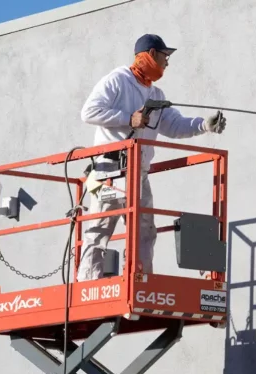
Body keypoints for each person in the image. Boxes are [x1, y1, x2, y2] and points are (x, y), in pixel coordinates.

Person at [77, 34, 227, 282]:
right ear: (148, 55)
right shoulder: (118, 80)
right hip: (110, 172)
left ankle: (140, 280)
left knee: (145, 231)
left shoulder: (155, 94)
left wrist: (204, 125)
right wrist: (129, 118)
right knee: (99, 229)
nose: (167, 63)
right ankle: (87, 284)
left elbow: (175, 125)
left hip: (138, 172)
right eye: (164, 56)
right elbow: (89, 112)